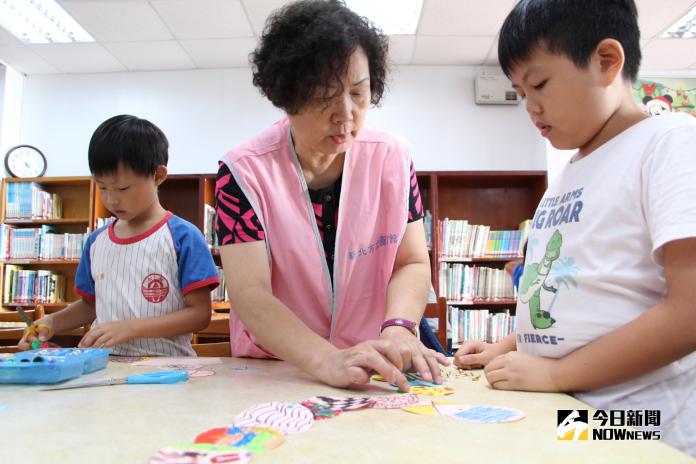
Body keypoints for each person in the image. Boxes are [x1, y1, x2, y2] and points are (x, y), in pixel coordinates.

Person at [455, 0, 696, 455]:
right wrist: (509, 346)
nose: (530, 106)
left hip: (642, 423)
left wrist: (554, 374)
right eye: (520, 93)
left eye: (539, 84)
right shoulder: (569, 173)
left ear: (606, 61)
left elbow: (691, 311)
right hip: (572, 409)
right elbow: (574, 297)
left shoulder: (671, 142)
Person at [216, 0, 448, 391]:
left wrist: (398, 327)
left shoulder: (394, 159)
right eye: (324, 97)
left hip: (372, 361)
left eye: (359, 93)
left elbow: (410, 261)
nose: (346, 115)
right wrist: (325, 359)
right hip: (279, 368)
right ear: (286, 98)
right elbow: (249, 292)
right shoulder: (242, 173)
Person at [19, 115, 220, 356]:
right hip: (104, 366)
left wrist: (131, 328)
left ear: (158, 176)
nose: (111, 199)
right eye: (102, 187)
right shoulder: (96, 242)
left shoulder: (183, 237)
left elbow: (199, 314)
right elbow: (90, 305)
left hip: (167, 368)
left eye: (122, 188)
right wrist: (52, 322)